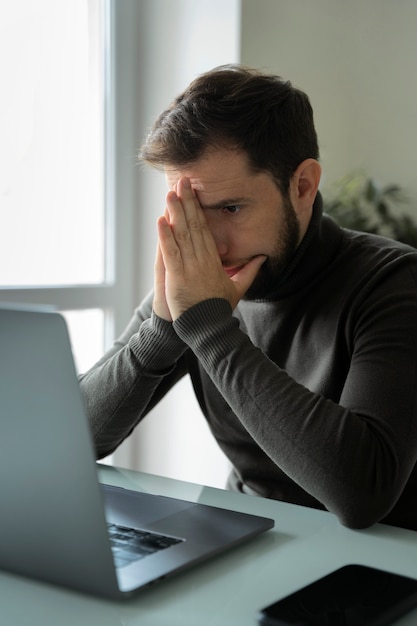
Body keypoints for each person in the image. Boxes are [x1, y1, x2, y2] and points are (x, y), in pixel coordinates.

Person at [80, 64, 417, 531]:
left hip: (378, 571)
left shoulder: (395, 282)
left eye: (231, 208)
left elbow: (362, 494)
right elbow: (73, 441)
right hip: (251, 538)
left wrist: (211, 329)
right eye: (191, 213)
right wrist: (160, 329)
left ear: (302, 186)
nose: (211, 245)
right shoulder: (200, 285)